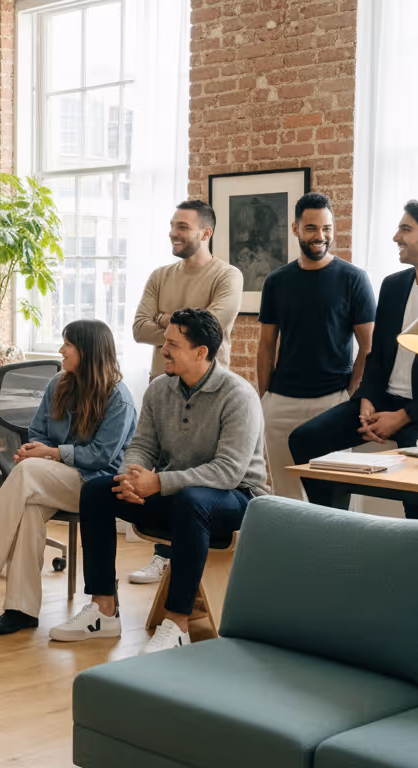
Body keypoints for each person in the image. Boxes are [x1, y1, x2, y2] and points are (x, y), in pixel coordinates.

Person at [0, 320, 137, 635]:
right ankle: (21, 609)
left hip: (95, 485)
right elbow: (39, 430)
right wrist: (35, 447)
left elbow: (100, 457)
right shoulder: (59, 384)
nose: (61, 350)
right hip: (55, 476)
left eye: (68, 344)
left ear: (89, 351)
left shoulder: (117, 397)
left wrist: (50, 454)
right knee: (28, 508)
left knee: (26, 474)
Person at [78, 308, 267, 654]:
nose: (163, 350)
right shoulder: (158, 390)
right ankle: (103, 610)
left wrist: (159, 483)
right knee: (96, 491)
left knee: (192, 501)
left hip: (238, 500)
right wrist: (131, 478)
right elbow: (141, 446)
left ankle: (177, 624)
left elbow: (228, 472)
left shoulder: (239, 395)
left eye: (173, 344)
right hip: (179, 496)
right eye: (165, 342)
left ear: (200, 352)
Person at [290, 199, 418, 521]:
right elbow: (378, 354)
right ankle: (333, 528)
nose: (396, 237)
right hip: (385, 398)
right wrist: (367, 397)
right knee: (305, 439)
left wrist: (403, 417)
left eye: (405, 229)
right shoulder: (394, 286)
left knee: (414, 449)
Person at [128, 199, 243, 586]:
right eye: (172, 225)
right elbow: (139, 328)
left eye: (182, 227)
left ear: (205, 233)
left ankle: (180, 560)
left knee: (196, 473)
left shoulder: (227, 275)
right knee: (165, 462)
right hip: (164, 385)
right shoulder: (161, 275)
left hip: (209, 390)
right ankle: (163, 554)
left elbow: (211, 325)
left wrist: (165, 318)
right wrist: (177, 324)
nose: (173, 233)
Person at [256, 193, 375, 499]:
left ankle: (333, 549)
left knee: (331, 494)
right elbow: (267, 344)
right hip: (281, 402)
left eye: (327, 228)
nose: (320, 236)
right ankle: (291, 549)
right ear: (295, 229)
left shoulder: (354, 279)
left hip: (331, 402)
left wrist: (350, 393)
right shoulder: (276, 281)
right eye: (311, 228)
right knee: (286, 495)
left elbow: (368, 346)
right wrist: (265, 396)